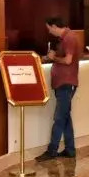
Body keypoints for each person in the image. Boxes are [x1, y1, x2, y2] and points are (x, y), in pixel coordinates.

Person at [36, 17, 81, 161]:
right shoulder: (64, 38)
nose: (49, 32)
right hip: (62, 83)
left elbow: (68, 60)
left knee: (59, 118)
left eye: (49, 29)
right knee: (65, 117)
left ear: (55, 26)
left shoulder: (69, 38)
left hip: (66, 83)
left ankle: (52, 151)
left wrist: (53, 57)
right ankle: (70, 150)